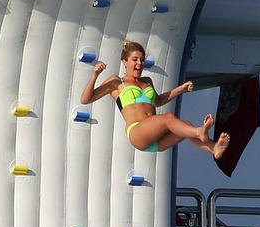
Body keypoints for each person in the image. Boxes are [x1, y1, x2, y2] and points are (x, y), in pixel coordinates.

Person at [81, 41, 230, 159]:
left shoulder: (147, 81)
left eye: (142, 60)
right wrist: (95, 75)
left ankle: (214, 148)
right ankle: (199, 132)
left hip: (156, 140)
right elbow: (85, 99)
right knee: (169, 118)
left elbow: (158, 101)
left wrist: (181, 89)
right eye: (135, 59)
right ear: (124, 61)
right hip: (138, 133)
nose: (139, 63)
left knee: (185, 125)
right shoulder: (116, 82)